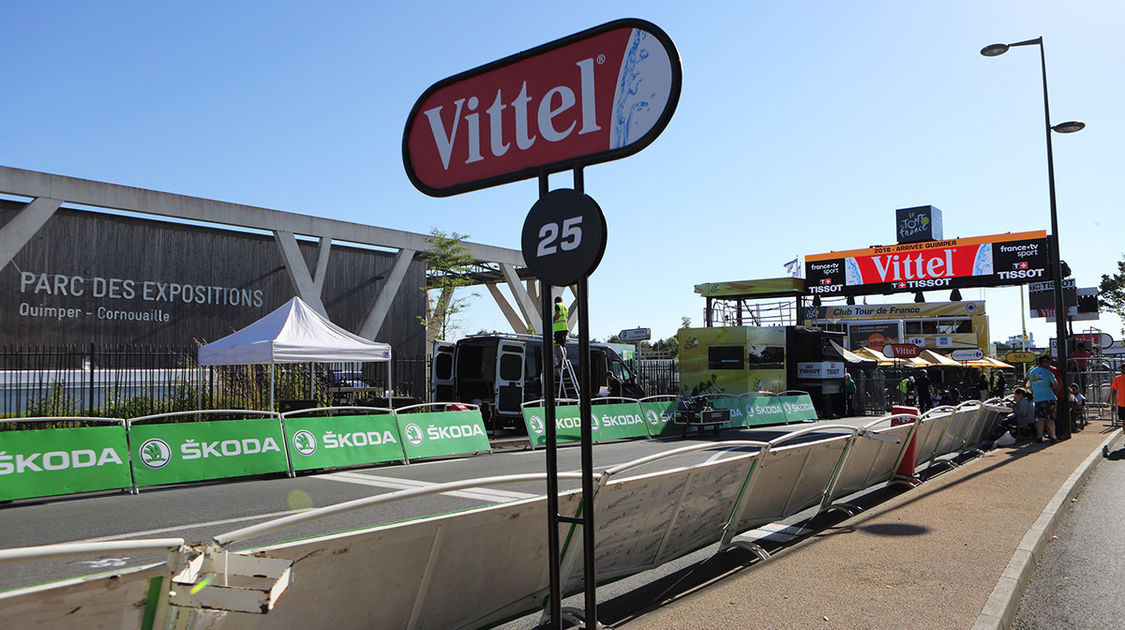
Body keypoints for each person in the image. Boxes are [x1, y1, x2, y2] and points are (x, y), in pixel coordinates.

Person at [1028, 355, 1058, 443]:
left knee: (1040, 418)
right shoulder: (1048, 372)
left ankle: (1039, 436)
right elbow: (1055, 384)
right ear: (1044, 362)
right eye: (1048, 362)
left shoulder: (1032, 372)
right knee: (1050, 418)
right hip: (1048, 397)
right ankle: (1053, 435)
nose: (1050, 364)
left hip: (1037, 398)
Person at [552, 296, 568, 365]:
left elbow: (558, 314)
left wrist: (553, 319)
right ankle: (563, 360)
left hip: (559, 329)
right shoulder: (565, 307)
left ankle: (562, 360)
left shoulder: (557, 305)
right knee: (562, 345)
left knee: (559, 345)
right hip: (564, 328)